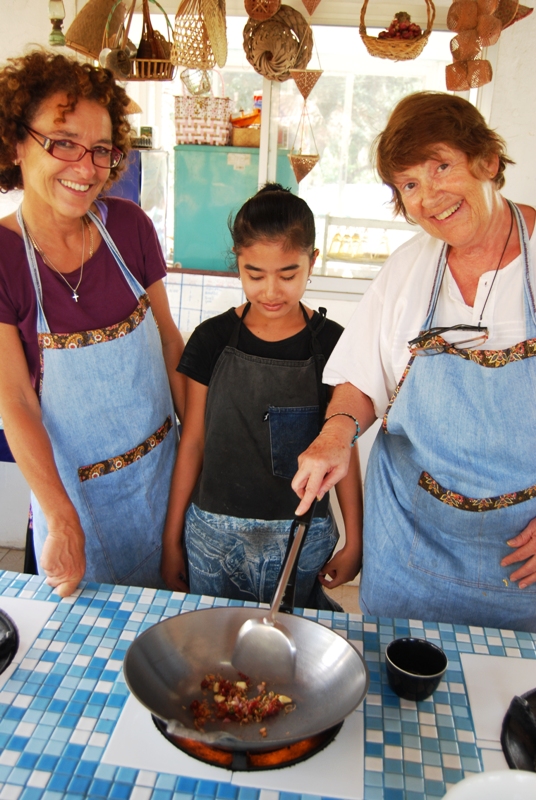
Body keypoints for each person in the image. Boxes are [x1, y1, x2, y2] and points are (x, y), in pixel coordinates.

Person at [292, 91, 536, 631]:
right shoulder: (407, 269)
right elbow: (361, 382)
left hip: (523, 570)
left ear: (487, 161)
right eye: (409, 185)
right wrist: (334, 436)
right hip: (411, 552)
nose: (429, 197)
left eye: (441, 167)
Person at [0, 50, 185, 597]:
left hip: (161, 478)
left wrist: (201, 449)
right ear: (16, 142)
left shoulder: (129, 227)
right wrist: (60, 518)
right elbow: (14, 399)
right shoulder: (4, 257)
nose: (85, 168)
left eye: (100, 150)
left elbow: (170, 342)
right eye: (62, 143)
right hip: (72, 501)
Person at [161, 184, 362, 608]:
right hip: (212, 532)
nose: (271, 291)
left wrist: (354, 539)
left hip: (301, 535)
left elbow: (344, 447)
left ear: (313, 263)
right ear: (238, 264)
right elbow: (193, 440)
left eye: (288, 274)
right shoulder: (210, 339)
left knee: (292, 650)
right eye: (255, 274)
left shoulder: (332, 343)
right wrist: (171, 540)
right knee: (215, 649)